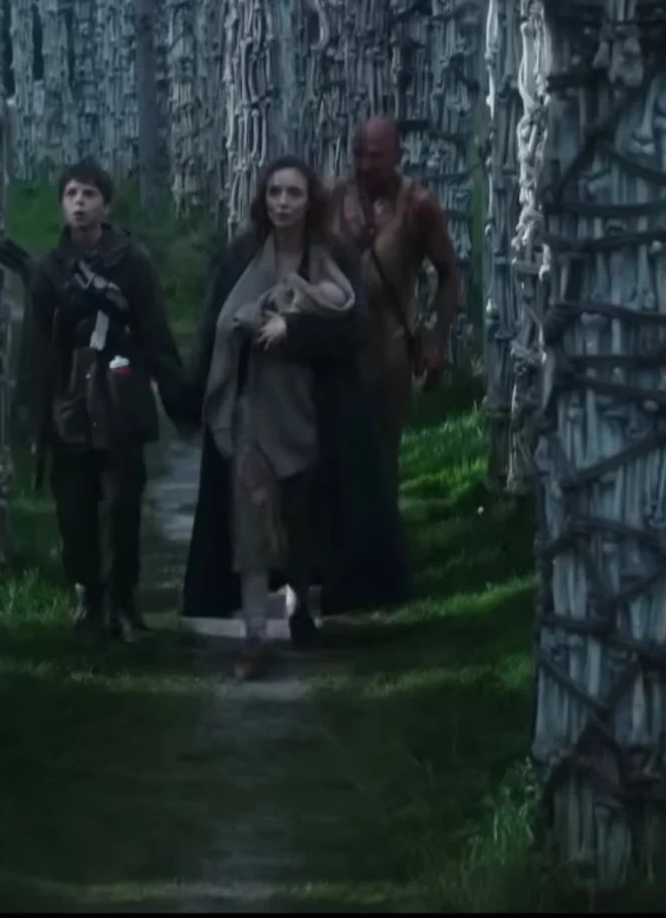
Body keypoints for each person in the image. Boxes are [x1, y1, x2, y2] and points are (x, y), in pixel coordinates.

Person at [180, 155, 412, 680]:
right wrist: (195, 392)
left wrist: (296, 331)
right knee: (250, 517)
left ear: (310, 202)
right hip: (251, 408)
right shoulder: (240, 257)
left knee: (305, 515)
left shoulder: (331, 259)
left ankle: (301, 606)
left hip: (312, 411)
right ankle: (255, 635)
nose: (283, 203)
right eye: (275, 193)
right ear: (263, 199)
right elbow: (214, 326)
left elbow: (353, 330)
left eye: (293, 193)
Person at [20, 161, 194, 642]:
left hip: (120, 397)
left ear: (107, 204)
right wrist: (35, 418)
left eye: (90, 194)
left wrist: (179, 400)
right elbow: (34, 352)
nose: (80, 203)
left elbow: (156, 334)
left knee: (122, 506)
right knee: (74, 508)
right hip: (69, 403)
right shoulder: (48, 271)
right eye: (72, 194)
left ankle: (123, 597)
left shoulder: (132, 263)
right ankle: (89, 596)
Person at [329, 115, 465, 497]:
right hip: (335, 345)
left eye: (374, 156)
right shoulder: (334, 198)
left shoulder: (417, 206)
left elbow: (448, 275)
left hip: (387, 348)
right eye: (358, 154)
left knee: (380, 457)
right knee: (333, 452)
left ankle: (381, 526)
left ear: (395, 155)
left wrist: (437, 340)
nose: (364, 165)